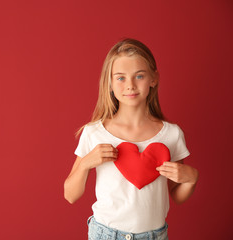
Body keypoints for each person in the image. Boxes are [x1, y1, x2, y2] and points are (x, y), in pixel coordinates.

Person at [63, 38, 199, 240]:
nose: (130, 85)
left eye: (139, 76)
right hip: (105, 235)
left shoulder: (171, 134)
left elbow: (177, 196)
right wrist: (85, 164)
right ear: (109, 82)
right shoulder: (94, 133)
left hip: (155, 236)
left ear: (153, 79)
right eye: (120, 78)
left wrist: (191, 178)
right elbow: (70, 195)